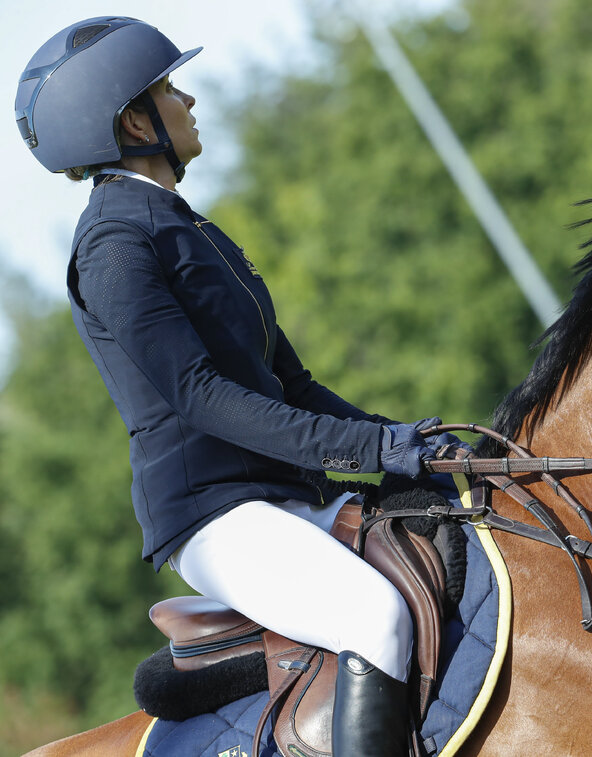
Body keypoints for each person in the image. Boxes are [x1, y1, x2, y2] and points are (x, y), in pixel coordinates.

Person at [16, 16, 442, 755]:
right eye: (170, 91)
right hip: (216, 516)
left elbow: (294, 385)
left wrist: (412, 442)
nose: (189, 102)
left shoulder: (189, 229)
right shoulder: (113, 245)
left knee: (446, 531)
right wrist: (372, 448)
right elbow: (201, 396)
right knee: (375, 616)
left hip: (285, 493)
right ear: (133, 120)